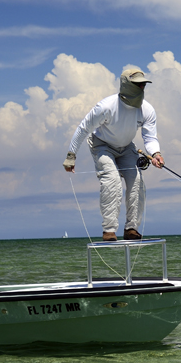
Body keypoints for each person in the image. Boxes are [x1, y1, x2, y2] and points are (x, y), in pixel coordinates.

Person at [63, 67, 165, 241]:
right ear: (126, 84)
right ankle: (109, 230)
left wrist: (156, 153)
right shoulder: (106, 107)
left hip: (126, 147)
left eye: (143, 85)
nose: (141, 89)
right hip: (102, 145)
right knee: (112, 181)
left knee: (137, 181)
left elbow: (149, 136)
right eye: (137, 85)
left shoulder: (147, 110)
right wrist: (71, 156)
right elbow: (83, 129)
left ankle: (131, 228)